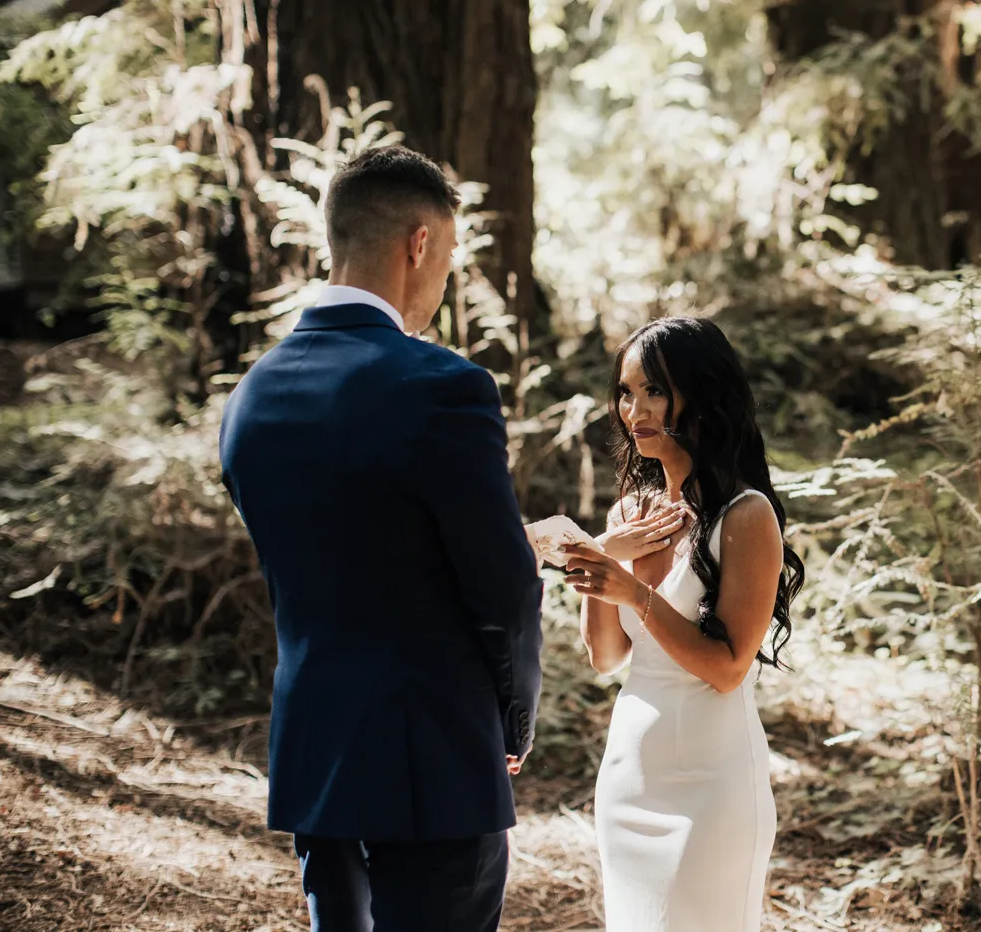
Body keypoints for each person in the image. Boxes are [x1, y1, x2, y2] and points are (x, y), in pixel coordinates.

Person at [219, 146, 544, 932]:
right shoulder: (443, 387)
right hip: (433, 756)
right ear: (419, 244)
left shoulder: (251, 396)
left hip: (315, 749)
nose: (443, 282)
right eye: (450, 258)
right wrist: (514, 717)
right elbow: (505, 589)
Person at [560, 316, 807, 932]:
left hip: (712, 782)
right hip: (629, 774)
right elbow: (607, 657)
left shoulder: (747, 517)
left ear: (702, 394)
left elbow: (726, 670)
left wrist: (636, 594)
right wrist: (602, 555)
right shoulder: (630, 513)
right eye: (625, 391)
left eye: (654, 391)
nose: (634, 409)